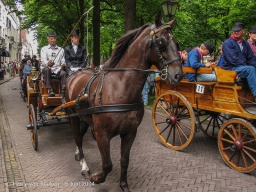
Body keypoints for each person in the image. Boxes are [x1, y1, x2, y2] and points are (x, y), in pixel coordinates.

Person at [222, 22, 256, 98]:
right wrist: (248, 66)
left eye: (238, 31)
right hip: (230, 68)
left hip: (241, 67)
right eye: (234, 31)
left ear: (243, 31)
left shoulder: (245, 43)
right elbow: (233, 60)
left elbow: (251, 58)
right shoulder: (227, 43)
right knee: (250, 69)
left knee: (252, 68)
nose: (236, 32)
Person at [40, 31, 66, 97]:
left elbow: (63, 60)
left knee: (64, 73)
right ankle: (50, 89)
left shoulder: (61, 49)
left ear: (56, 39)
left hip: (57, 69)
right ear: (48, 39)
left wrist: (63, 65)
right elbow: (43, 60)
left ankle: (63, 91)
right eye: (51, 39)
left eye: (54, 38)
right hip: (47, 69)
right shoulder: (44, 49)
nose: (53, 40)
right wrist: (47, 63)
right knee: (47, 69)